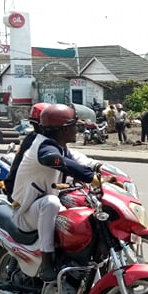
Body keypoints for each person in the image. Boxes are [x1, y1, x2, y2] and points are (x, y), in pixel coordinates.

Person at [11, 104, 100, 281]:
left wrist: (104, 170)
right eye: (74, 125)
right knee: (50, 202)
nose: (78, 128)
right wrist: (91, 177)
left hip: (38, 208)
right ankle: (47, 261)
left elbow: (78, 161)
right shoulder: (44, 148)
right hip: (25, 212)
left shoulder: (60, 146)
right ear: (62, 129)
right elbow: (54, 160)